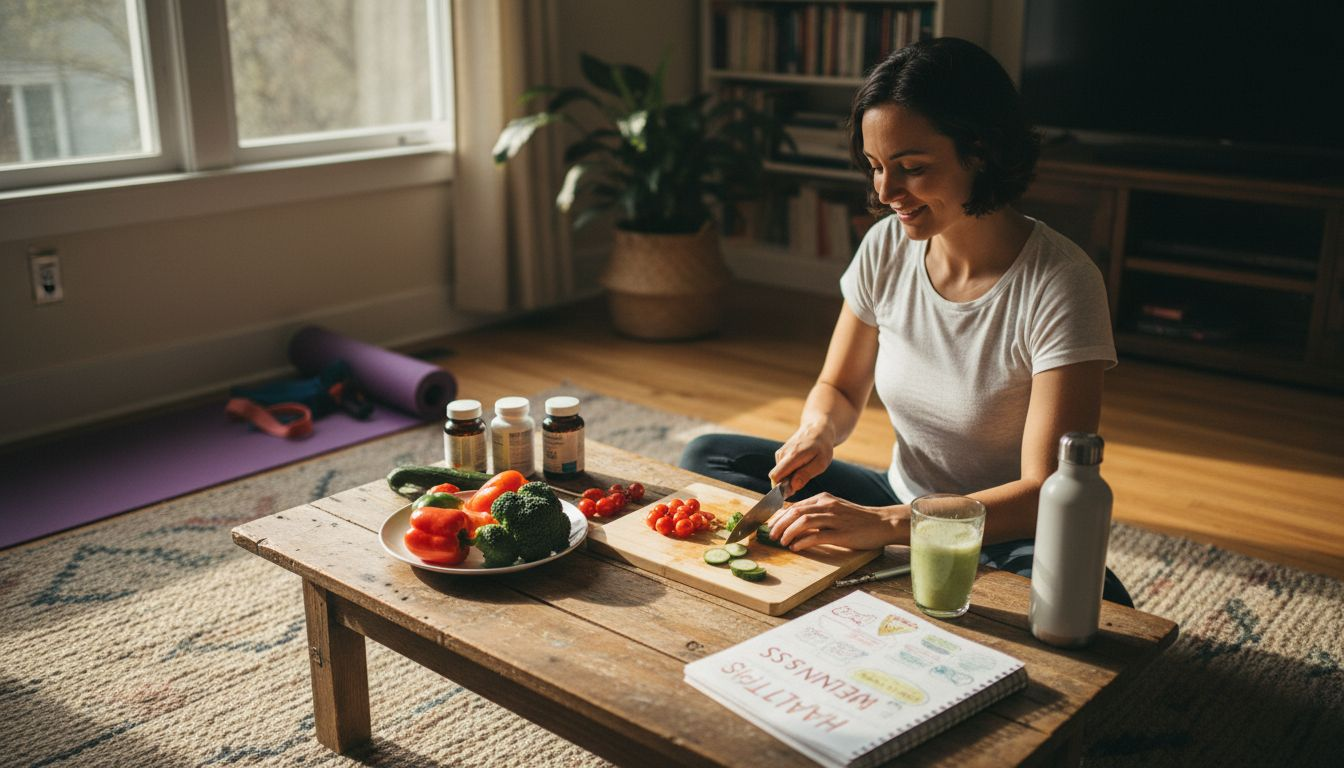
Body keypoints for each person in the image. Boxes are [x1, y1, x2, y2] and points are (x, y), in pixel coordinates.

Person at [679, 37, 1133, 606]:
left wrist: (888, 527)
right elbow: (840, 387)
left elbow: (1045, 492)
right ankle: (893, 567)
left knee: (1097, 601)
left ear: (981, 151)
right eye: (875, 167)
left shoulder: (1062, 283)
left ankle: (883, 563)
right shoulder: (885, 247)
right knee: (709, 458)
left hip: (1000, 532)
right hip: (899, 496)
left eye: (911, 168)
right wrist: (818, 430)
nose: (885, 193)